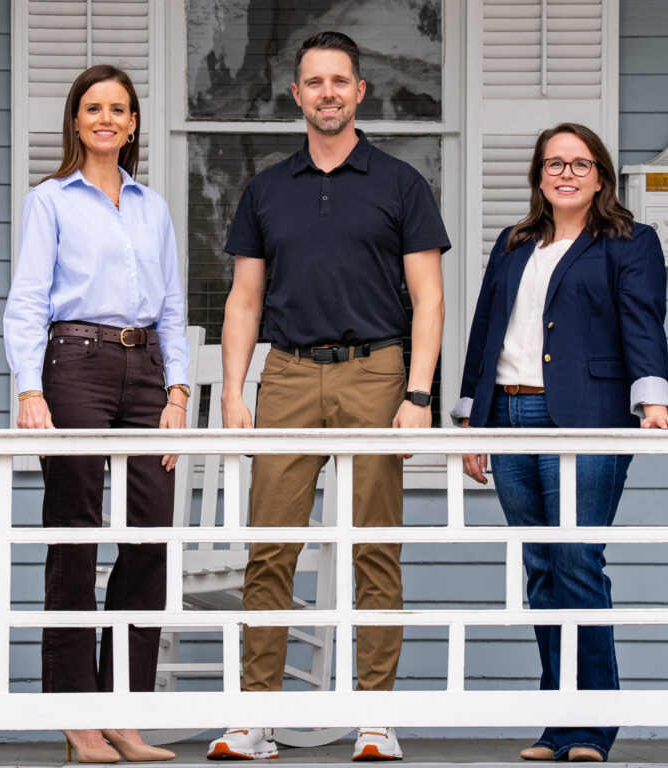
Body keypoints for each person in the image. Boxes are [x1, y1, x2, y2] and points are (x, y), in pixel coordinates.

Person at [205, 31, 451, 763]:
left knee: (375, 545)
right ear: (298, 96)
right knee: (270, 546)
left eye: (340, 81)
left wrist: (418, 390)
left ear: (360, 92)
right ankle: (256, 717)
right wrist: (234, 392)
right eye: (315, 83)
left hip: (375, 371)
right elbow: (244, 301)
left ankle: (375, 717)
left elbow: (429, 298)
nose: (328, 93)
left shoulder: (400, 184)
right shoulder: (266, 187)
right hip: (285, 373)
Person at [453, 123, 668, 763]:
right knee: (540, 567)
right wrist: (472, 420)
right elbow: (485, 332)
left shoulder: (629, 242)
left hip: (585, 418)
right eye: (554, 163)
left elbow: (644, 323)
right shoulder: (512, 242)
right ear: (538, 175)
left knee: (578, 560)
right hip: (507, 413)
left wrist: (654, 403)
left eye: (580, 164)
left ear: (601, 175)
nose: (566, 173)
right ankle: (556, 723)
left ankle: (590, 728)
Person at [3, 64, 188, 764]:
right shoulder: (50, 200)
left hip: (146, 373)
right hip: (74, 362)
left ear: (134, 123)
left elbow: (172, 307)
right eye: (92, 108)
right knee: (75, 535)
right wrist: (30, 389)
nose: (106, 118)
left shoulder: (153, 207)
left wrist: (177, 395)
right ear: (75, 122)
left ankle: (125, 715)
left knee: (149, 536)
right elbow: (27, 300)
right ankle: (78, 717)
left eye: (118, 108)